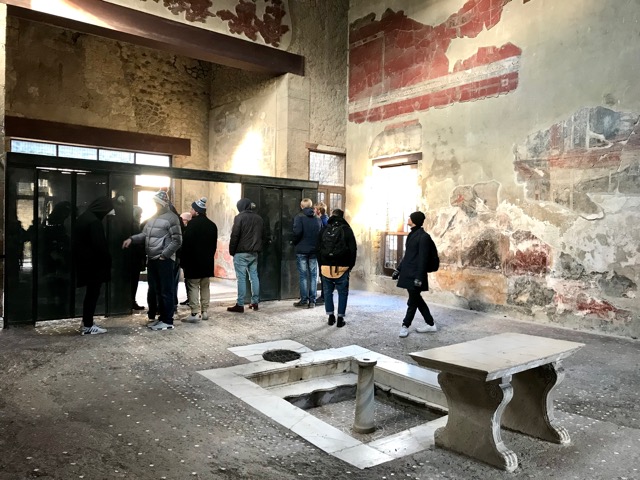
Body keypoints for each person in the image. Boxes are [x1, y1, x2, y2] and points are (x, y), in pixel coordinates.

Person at [122, 190, 182, 331]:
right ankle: (161, 318)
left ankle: (167, 320)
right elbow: (145, 234)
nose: (155, 204)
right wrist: (132, 239)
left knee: (166, 291)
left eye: (156, 202)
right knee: (157, 289)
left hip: (164, 260)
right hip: (153, 259)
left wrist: (164, 255)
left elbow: (177, 240)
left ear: (161, 203)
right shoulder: (153, 218)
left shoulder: (172, 218)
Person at [73, 196, 115, 335]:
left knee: (90, 294)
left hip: (84, 263)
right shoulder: (94, 222)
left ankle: (86, 321)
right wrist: (108, 260)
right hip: (94, 266)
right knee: (92, 294)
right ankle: (88, 325)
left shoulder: (84, 218)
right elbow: (100, 247)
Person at [393, 211, 437, 338]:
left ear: (415, 220)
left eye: (410, 217)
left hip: (415, 275)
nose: (408, 219)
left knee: (413, 301)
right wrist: (398, 269)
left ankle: (405, 326)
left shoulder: (424, 237)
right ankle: (430, 323)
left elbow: (423, 259)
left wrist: (419, 277)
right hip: (408, 273)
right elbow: (408, 256)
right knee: (416, 299)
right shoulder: (412, 235)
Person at [317, 209, 357, 328]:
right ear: (342, 216)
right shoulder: (347, 230)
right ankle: (340, 318)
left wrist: (321, 264)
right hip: (342, 266)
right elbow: (353, 249)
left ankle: (330, 317)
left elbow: (318, 248)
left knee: (328, 293)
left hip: (325, 266)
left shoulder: (324, 229)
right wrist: (350, 266)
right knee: (342, 293)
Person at [180, 197, 218, 323]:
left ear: (197, 211)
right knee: (205, 286)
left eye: (192, 209)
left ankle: (195, 312)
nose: (190, 211)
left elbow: (187, 244)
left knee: (193, 286)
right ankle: (205, 311)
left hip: (193, 263)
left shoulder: (192, 225)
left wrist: (183, 261)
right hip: (207, 262)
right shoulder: (212, 225)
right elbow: (214, 246)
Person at [227, 198, 263, 313]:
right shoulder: (259, 218)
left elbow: (235, 235)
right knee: (254, 277)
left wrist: (232, 251)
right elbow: (264, 235)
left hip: (241, 252)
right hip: (254, 252)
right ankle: (255, 302)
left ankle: (240, 304)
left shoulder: (239, 217)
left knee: (241, 279)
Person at [292, 198, 322, 308]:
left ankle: (304, 301)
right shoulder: (317, 218)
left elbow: (297, 233)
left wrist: (295, 243)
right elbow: (320, 234)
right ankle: (312, 301)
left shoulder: (299, 217)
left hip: (301, 250)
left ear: (301, 206)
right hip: (314, 250)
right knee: (313, 276)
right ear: (311, 205)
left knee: (303, 276)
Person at [130, 205, 146, 310]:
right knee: (133, 281)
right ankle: (131, 301)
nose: (141, 216)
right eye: (139, 214)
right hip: (134, 258)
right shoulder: (134, 225)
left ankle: (131, 300)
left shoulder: (133, 224)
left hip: (134, 257)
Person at [314, 201, 329, 304]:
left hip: (323, 251)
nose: (314, 211)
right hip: (325, 250)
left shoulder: (323, 221)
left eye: (315, 209)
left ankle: (324, 296)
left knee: (324, 274)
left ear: (319, 211)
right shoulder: (326, 220)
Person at [178, 211, 192, 306]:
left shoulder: (188, 230)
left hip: (188, 258)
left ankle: (191, 298)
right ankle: (189, 298)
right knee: (187, 279)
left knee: (190, 280)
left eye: (183, 220)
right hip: (185, 258)